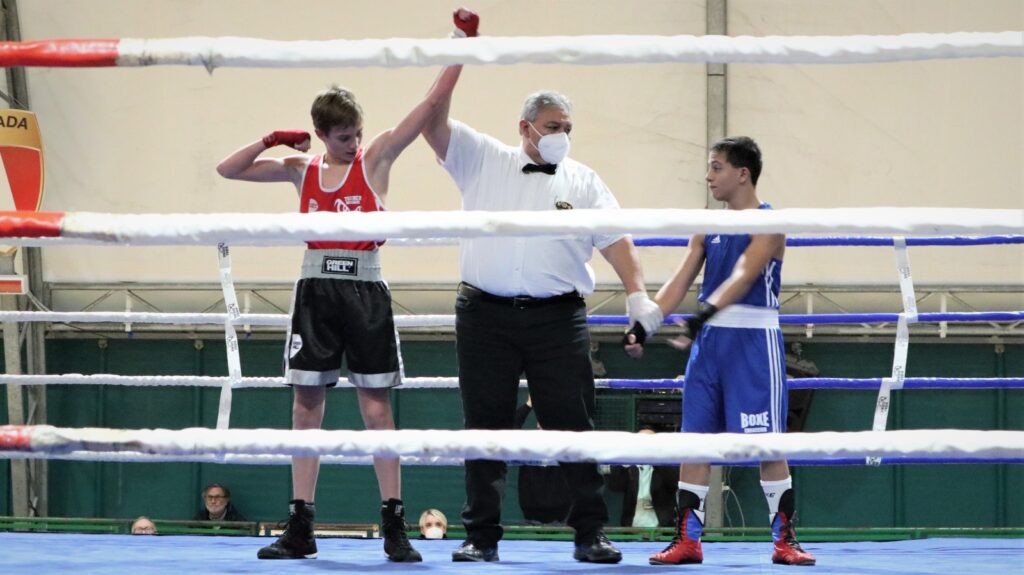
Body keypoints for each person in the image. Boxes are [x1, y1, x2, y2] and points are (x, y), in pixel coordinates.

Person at [215, 10, 468, 561]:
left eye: (356, 133)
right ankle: (300, 525)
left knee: (376, 407)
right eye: (343, 137)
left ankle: (395, 524)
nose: (353, 144)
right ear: (324, 134)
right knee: (306, 407)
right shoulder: (300, 170)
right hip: (314, 291)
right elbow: (226, 171)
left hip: (365, 290)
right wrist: (268, 140)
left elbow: (425, 110)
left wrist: (461, 46)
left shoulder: (375, 156)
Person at [421, 10, 664, 565]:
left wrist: (637, 295)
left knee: (574, 423)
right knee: (484, 425)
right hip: (484, 315)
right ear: (526, 126)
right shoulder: (482, 157)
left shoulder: (584, 180)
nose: (562, 136)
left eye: (568, 129)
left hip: (559, 318)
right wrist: (457, 52)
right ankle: (480, 537)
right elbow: (432, 121)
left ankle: (589, 534)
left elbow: (617, 240)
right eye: (553, 126)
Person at [624, 136, 816, 566]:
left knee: (767, 445)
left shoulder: (771, 220)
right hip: (708, 344)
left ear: (742, 173)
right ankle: (688, 540)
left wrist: (702, 314)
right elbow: (681, 277)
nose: (708, 176)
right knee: (694, 443)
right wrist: (646, 322)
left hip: (752, 341)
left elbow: (747, 272)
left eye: (717, 167)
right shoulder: (707, 222)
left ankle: (785, 541)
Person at [604, 428, 678, 528]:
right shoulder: (630, 468)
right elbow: (615, 486)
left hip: (662, 530)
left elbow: (673, 482)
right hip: (632, 530)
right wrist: (624, 463)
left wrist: (655, 458)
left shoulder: (666, 465)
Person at [515, 396, 571, 525]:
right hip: (531, 510)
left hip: (561, 513)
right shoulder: (527, 444)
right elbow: (508, 430)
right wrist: (528, 405)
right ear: (537, 424)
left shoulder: (565, 444)